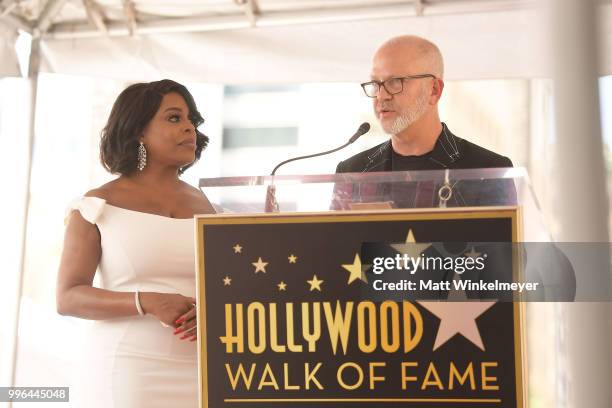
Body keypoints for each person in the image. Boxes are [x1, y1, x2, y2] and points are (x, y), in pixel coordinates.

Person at [57, 79, 213, 407]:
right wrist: (147, 301)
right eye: (174, 118)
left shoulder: (211, 207)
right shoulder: (97, 205)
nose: (188, 128)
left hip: (206, 369)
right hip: (129, 367)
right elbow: (68, 297)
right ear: (138, 131)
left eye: (191, 121)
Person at [335, 35, 514, 207]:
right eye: (376, 83)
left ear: (434, 90)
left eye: (395, 81)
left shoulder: (488, 171)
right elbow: (336, 238)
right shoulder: (352, 172)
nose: (381, 96)